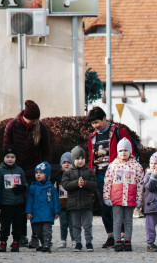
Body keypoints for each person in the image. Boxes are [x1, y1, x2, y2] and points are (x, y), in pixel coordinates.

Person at [86, 106, 137, 249]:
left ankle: (123, 236)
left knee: (119, 205)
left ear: (104, 119)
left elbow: (130, 149)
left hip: (118, 174)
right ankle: (111, 236)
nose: (95, 126)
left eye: (97, 122)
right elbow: (91, 156)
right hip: (100, 175)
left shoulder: (118, 131)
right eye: (92, 123)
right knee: (105, 206)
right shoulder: (93, 137)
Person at [3, 100, 52, 247]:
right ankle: (20, 235)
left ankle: (35, 236)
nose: (34, 122)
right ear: (25, 116)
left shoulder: (41, 127)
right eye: (32, 120)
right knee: (19, 206)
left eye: (36, 119)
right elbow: (6, 149)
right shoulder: (12, 126)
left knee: (34, 204)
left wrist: (46, 170)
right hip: (16, 172)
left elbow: (46, 151)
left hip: (34, 171)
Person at [103, 137, 143, 253]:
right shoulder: (113, 165)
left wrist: (139, 199)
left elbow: (140, 184)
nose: (123, 153)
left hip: (130, 198)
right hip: (117, 197)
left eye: (125, 150)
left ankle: (127, 240)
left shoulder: (136, 166)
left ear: (130, 151)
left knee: (128, 220)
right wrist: (106, 197)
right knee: (117, 220)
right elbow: (108, 182)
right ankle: (117, 241)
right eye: (120, 151)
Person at [61, 145, 96, 251]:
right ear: (73, 160)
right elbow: (65, 185)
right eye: (77, 158)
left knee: (87, 225)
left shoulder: (89, 171)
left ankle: (89, 242)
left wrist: (85, 183)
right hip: (73, 204)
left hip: (86, 203)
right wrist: (76, 183)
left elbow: (94, 185)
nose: (80, 161)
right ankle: (78, 243)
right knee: (75, 225)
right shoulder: (68, 172)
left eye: (82, 158)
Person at [0, 145, 27, 252]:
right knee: (5, 224)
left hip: (18, 202)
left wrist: (22, 188)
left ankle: (16, 241)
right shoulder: (0, 171)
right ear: (4, 158)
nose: (10, 159)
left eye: (12, 157)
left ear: (16, 158)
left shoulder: (19, 170)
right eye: (8, 156)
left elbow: (25, 184)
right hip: (6, 203)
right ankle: (3, 241)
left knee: (18, 224)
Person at [26, 161, 60, 253]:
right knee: (38, 231)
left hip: (47, 213)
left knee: (47, 230)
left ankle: (47, 244)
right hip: (36, 213)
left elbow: (56, 200)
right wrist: (28, 211)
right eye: (36, 173)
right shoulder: (33, 187)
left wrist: (57, 211)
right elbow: (30, 200)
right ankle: (43, 242)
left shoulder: (51, 188)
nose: (38, 175)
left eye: (41, 173)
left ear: (47, 175)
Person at [54, 152, 74, 248]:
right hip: (61, 204)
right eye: (64, 162)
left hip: (72, 203)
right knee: (63, 223)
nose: (66, 164)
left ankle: (74, 239)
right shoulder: (58, 176)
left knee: (72, 224)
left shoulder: (74, 175)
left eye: (69, 162)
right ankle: (63, 239)